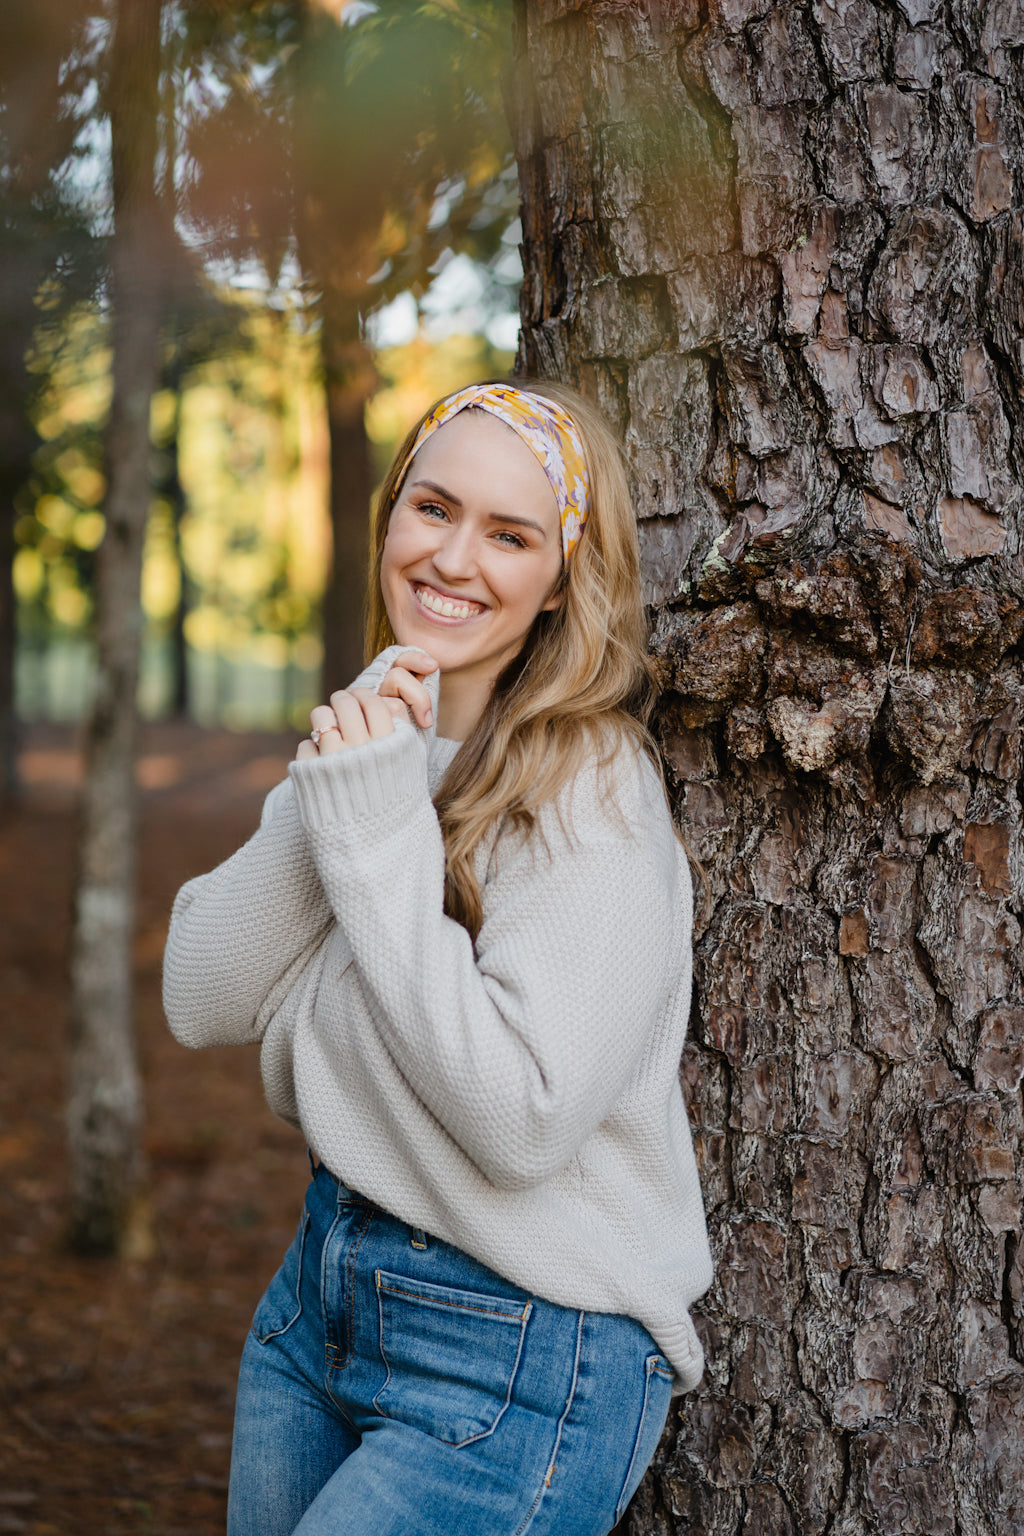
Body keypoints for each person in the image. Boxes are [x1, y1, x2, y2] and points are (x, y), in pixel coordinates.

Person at [162, 379, 713, 1536]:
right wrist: (350, 788)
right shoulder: (378, 727)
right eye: (433, 509)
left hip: (520, 1345)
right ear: (389, 522)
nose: (454, 558)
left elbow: (520, 1120)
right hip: (323, 1299)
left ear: (561, 577)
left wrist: (368, 836)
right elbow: (202, 995)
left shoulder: (589, 783)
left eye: (509, 535)